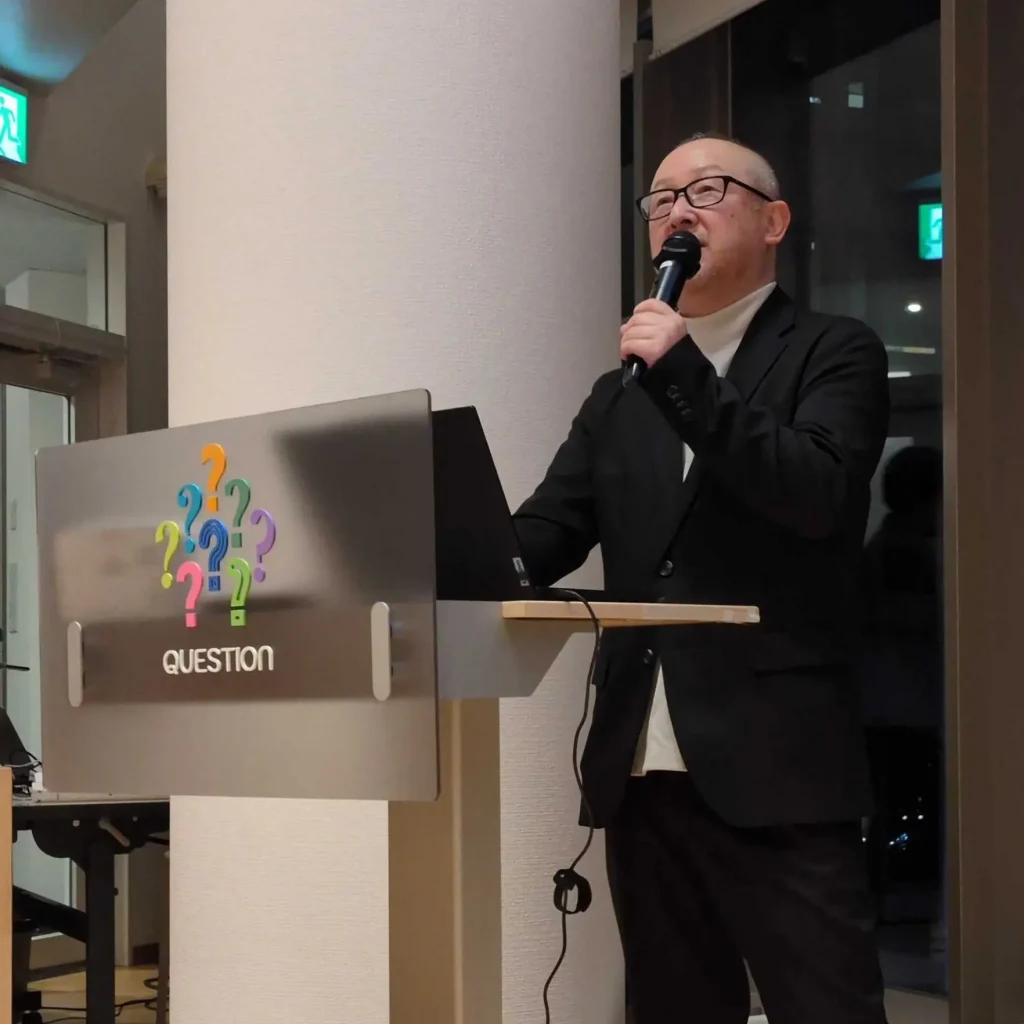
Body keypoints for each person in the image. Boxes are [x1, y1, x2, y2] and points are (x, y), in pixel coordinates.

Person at [513, 133, 891, 1023]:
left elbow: (815, 492)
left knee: (828, 1007)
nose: (677, 211)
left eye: (706, 190)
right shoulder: (620, 392)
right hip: (641, 768)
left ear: (774, 220)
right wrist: (445, 552)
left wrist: (680, 370)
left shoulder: (834, 351)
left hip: (780, 769)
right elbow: (548, 530)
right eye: (660, 199)